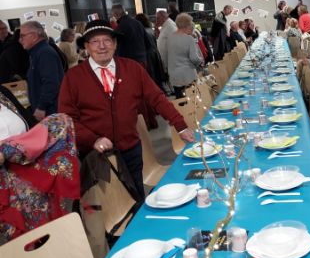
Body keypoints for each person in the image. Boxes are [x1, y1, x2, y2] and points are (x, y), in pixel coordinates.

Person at [58, 20, 195, 199]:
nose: (102, 46)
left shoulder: (132, 68)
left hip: (131, 150)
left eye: (107, 40)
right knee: (110, 207)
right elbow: (67, 118)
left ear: (115, 44)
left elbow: (157, 98)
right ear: (86, 47)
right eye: (95, 41)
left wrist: (180, 126)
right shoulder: (73, 77)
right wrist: (93, 139)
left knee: (137, 197)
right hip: (96, 156)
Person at [0, 84, 79, 244]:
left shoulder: (3, 93)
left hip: (29, 166)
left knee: (61, 120)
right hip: (6, 185)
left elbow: (32, 126)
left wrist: (23, 147)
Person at [20, 21, 64, 121]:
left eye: (22, 36)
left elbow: (51, 83)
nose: (20, 39)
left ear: (34, 36)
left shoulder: (44, 53)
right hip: (48, 109)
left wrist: (41, 107)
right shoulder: (37, 53)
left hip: (50, 111)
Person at [167, 13, 204, 98]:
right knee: (193, 101)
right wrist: (201, 60)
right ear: (186, 25)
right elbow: (194, 59)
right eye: (190, 23)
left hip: (174, 76)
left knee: (180, 100)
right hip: (187, 76)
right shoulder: (189, 39)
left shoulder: (170, 37)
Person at [135, 13, 166, 90]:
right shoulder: (150, 30)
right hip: (155, 54)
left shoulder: (142, 32)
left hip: (148, 57)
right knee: (158, 78)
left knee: (152, 78)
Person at [156, 10, 178, 79]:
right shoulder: (165, 25)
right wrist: (157, 29)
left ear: (163, 17)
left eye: (158, 18)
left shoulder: (170, 26)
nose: (156, 20)